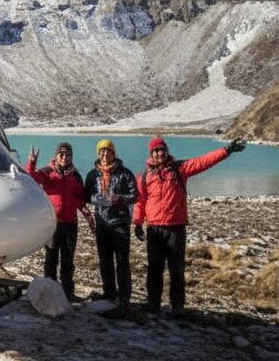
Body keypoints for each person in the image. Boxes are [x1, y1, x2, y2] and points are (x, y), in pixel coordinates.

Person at [133, 135, 246, 316]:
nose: (159, 153)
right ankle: (153, 303)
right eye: (156, 151)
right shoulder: (145, 176)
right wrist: (137, 222)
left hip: (176, 227)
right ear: (151, 154)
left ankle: (177, 306)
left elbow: (203, 162)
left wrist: (226, 151)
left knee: (176, 269)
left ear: (166, 151)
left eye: (162, 150)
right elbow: (140, 200)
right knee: (154, 268)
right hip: (154, 228)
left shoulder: (180, 169)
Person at [27, 142, 95, 301]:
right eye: (61, 154)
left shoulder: (76, 176)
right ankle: (49, 292)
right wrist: (31, 162)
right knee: (51, 258)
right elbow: (32, 176)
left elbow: (79, 199)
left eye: (68, 155)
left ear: (71, 157)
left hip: (71, 224)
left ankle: (67, 293)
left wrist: (88, 216)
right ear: (56, 156)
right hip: (53, 224)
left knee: (68, 260)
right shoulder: (48, 172)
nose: (65, 157)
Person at [83, 139, 138, 307]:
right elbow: (86, 195)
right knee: (105, 260)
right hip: (102, 222)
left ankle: (124, 296)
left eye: (108, 151)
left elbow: (135, 195)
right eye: (102, 151)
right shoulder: (93, 174)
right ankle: (109, 293)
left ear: (114, 154)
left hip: (120, 222)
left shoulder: (125, 173)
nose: (105, 154)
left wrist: (118, 199)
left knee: (122, 261)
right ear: (98, 154)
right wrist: (97, 199)